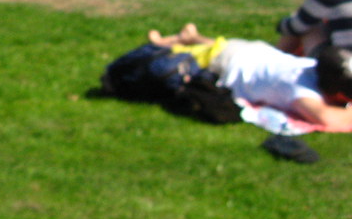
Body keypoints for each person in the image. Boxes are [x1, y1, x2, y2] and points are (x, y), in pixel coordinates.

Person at [146, 23, 352, 130]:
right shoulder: (301, 91)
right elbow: (327, 118)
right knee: (180, 57)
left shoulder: (310, 65)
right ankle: (164, 44)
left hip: (255, 51)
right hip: (227, 64)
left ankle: (191, 37)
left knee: (219, 45)